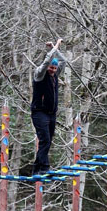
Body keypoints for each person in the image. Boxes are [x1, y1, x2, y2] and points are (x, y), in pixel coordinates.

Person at [31, 37, 65, 177]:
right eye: (51, 67)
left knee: (48, 141)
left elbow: (64, 61)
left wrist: (55, 50)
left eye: (55, 68)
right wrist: (55, 46)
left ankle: (37, 169)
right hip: (39, 112)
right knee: (44, 139)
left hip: (52, 114)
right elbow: (47, 61)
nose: (53, 70)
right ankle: (44, 168)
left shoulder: (55, 75)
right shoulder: (40, 74)